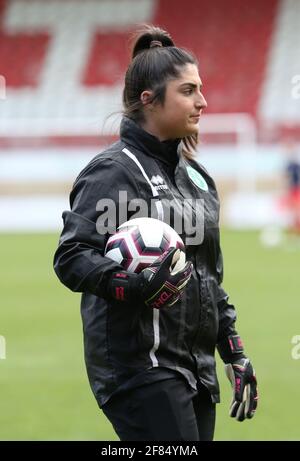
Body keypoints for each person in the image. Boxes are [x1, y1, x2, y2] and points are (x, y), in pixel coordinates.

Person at [53, 25, 258, 441]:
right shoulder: (114, 171)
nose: (202, 102)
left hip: (195, 368)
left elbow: (206, 279)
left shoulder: (197, 178)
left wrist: (233, 350)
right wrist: (137, 284)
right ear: (149, 100)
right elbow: (72, 256)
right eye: (188, 91)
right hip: (140, 369)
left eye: (200, 89)